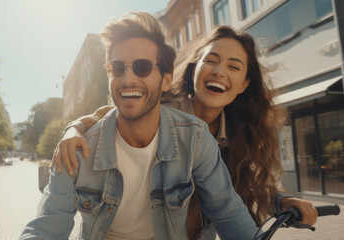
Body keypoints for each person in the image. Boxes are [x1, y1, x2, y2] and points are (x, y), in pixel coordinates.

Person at [51, 25, 318, 239]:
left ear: (244, 84)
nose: (218, 71)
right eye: (210, 60)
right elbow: (113, 111)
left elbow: (234, 193)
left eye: (234, 67)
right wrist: (74, 128)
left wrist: (279, 199)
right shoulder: (161, 105)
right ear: (193, 70)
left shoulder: (239, 130)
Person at [21, 12, 259, 240]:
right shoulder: (75, 150)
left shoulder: (195, 137)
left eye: (142, 67)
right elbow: (46, 226)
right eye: (117, 68)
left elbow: (227, 209)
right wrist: (74, 127)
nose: (127, 79)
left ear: (166, 79)